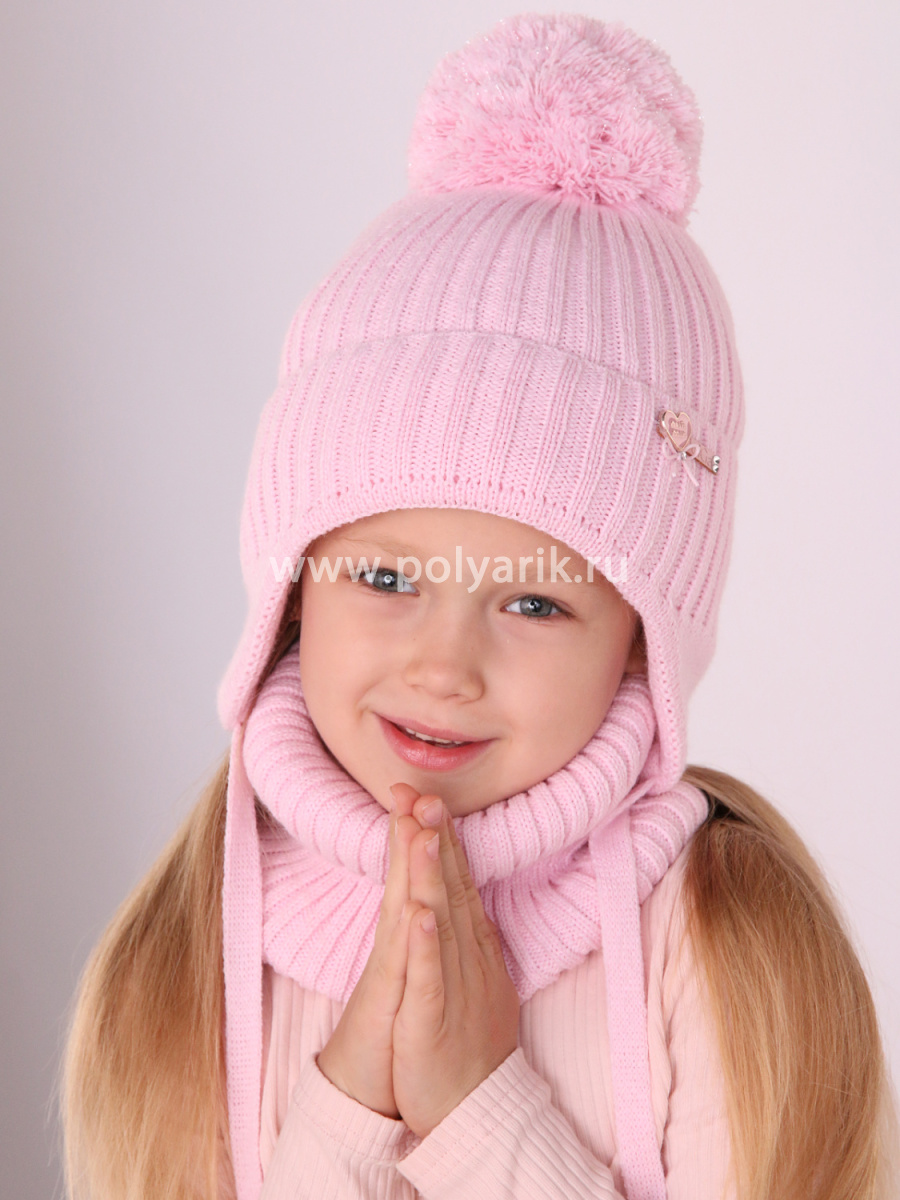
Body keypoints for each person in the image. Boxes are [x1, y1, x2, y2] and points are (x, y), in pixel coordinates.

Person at [61, 13, 897, 1200]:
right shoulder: (191, 946)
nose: (445, 666)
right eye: (387, 578)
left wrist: (480, 1110)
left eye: (537, 602)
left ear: (644, 639)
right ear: (295, 584)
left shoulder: (730, 945)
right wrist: (344, 1115)